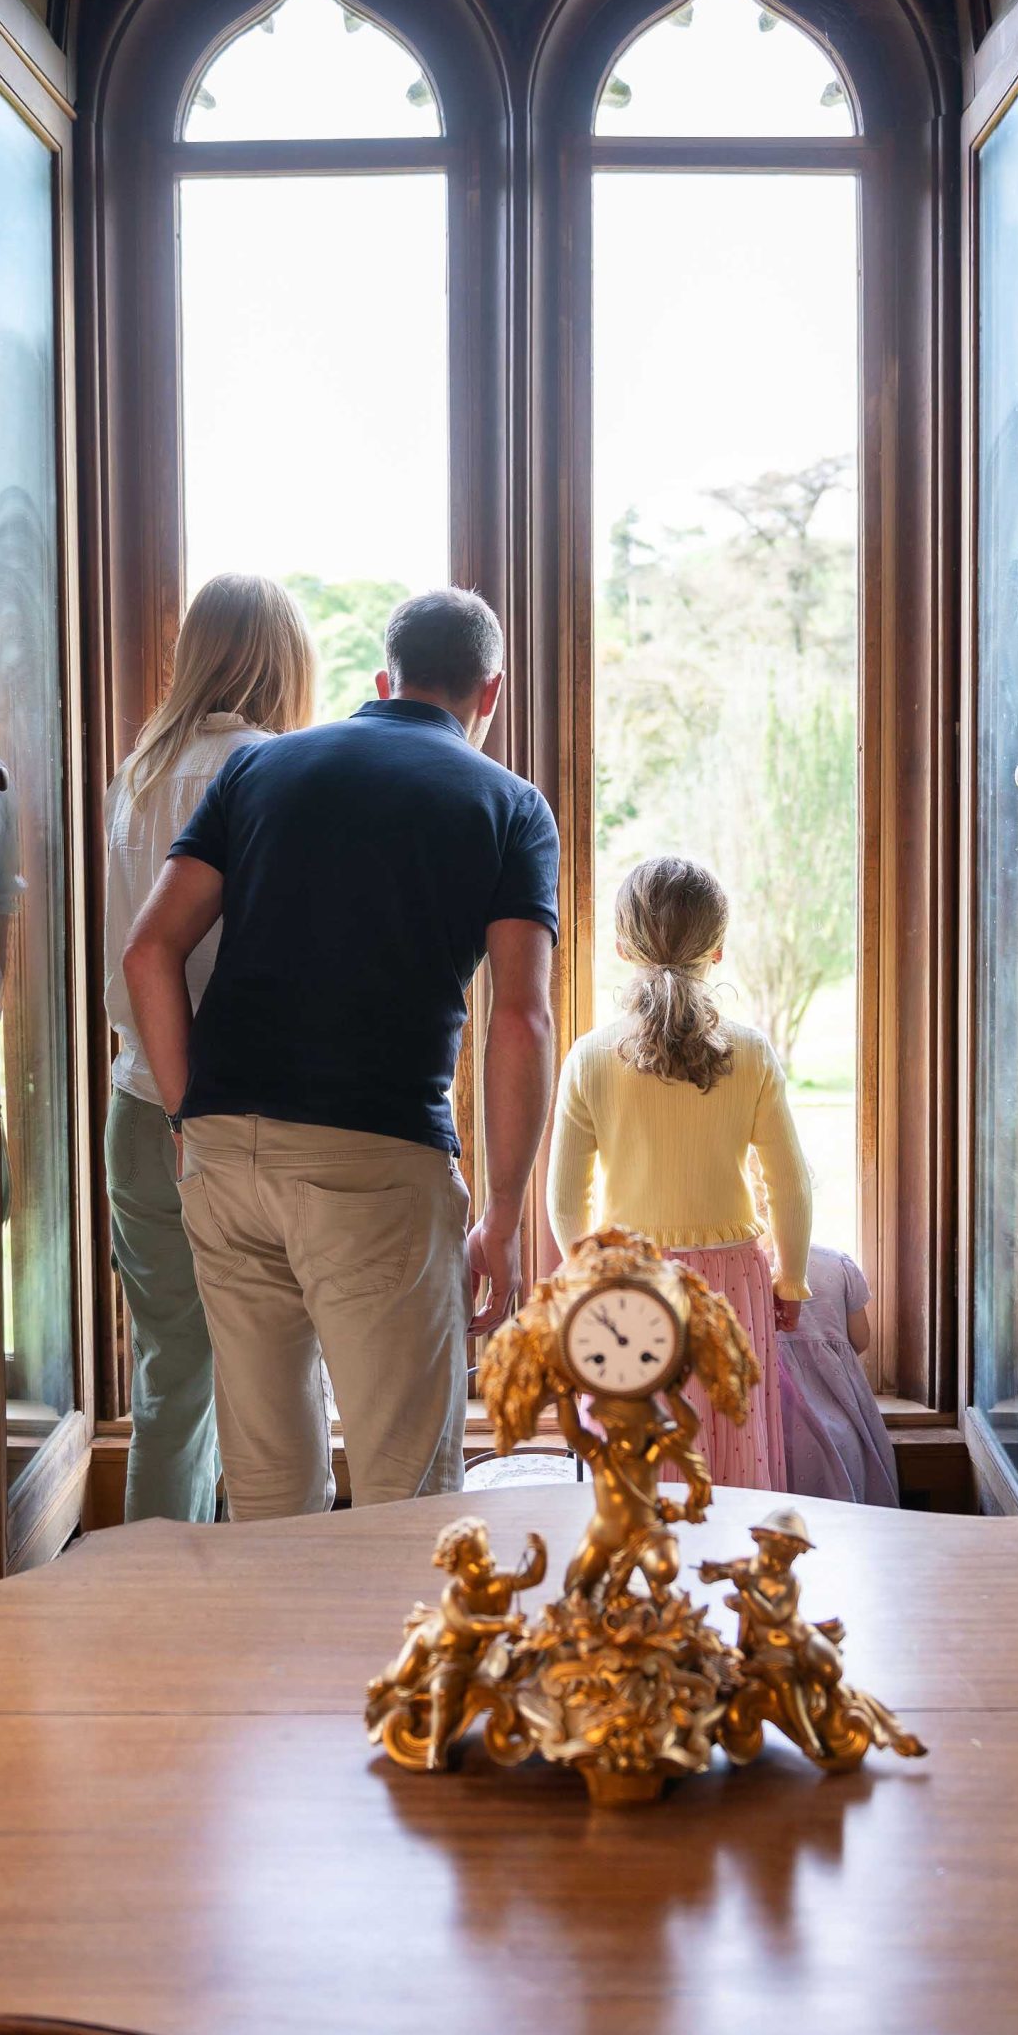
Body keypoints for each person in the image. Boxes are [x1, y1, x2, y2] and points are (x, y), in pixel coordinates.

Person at [123, 586, 558, 1520]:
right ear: (491, 694)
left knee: (270, 1493)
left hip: (226, 1163)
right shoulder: (510, 805)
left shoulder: (263, 769)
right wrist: (509, 1212)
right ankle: (394, 1670)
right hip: (374, 1164)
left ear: (381, 679)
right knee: (408, 1502)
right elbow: (520, 1018)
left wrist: (185, 1116)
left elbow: (148, 949)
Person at [103, 573, 316, 1522]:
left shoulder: (136, 775)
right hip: (242, 1117)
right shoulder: (275, 772)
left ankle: (157, 1622)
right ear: (284, 663)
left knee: (169, 1385)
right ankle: (265, 1624)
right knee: (274, 1387)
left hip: (138, 1106)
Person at [546, 855, 810, 1490]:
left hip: (628, 1283)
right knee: (732, 1451)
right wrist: (790, 1281)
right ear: (717, 951)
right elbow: (790, 1184)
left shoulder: (589, 1059)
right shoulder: (751, 1054)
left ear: (621, 947)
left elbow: (564, 1201)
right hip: (733, 1285)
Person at [776, 1243, 900, 1506]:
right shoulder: (838, 1263)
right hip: (840, 1416)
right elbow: (861, 1339)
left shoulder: (748, 1266)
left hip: (776, 1423)